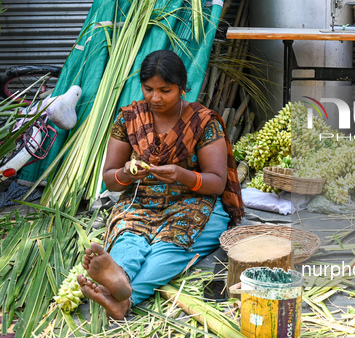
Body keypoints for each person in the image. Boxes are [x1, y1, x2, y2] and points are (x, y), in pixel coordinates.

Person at [76, 50, 244, 319]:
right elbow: (110, 178)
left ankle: (124, 294)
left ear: (182, 87)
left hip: (194, 203)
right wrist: (127, 175)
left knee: (171, 245)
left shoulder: (203, 122)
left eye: (165, 90)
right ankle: (118, 278)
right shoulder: (129, 118)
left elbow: (216, 182)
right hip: (141, 201)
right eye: (148, 89)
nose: (155, 97)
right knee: (130, 238)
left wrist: (182, 175)